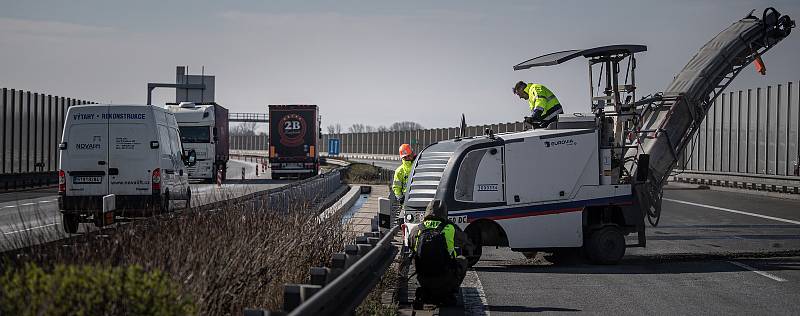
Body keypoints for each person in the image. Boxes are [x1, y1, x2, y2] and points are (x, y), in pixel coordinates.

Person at [412, 200, 468, 307]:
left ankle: (428, 292)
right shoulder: (450, 228)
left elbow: (411, 246)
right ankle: (450, 291)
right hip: (445, 276)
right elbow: (465, 241)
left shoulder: (417, 229)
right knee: (463, 260)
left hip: (423, 277)